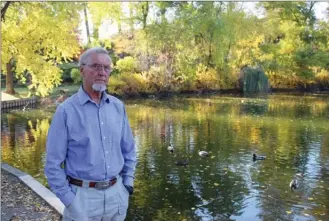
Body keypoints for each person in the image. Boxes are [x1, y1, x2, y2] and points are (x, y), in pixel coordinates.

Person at [45, 47, 137, 221]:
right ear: (82, 70)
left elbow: (129, 150)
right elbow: (53, 164)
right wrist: (70, 200)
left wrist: (127, 184)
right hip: (81, 198)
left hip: (116, 195)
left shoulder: (118, 107)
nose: (102, 72)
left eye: (106, 68)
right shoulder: (66, 111)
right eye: (95, 66)